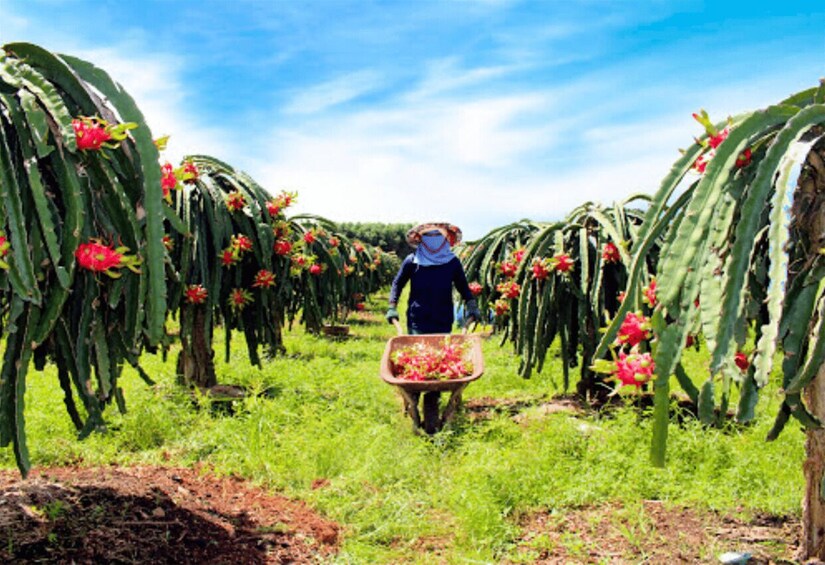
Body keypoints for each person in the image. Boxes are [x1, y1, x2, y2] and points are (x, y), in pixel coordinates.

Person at [385, 222, 482, 434]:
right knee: (419, 355)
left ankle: (430, 395)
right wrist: (392, 306)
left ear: (446, 239)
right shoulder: (412, 261)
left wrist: (472, 304)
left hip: (442, 317)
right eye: (428, 237)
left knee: (439, 358)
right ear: (420, 240)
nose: (433, 242)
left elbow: (463, 287)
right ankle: (415, 395)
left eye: (437, 237)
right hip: (418, 317)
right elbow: (397, 283)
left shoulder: (452, 262)